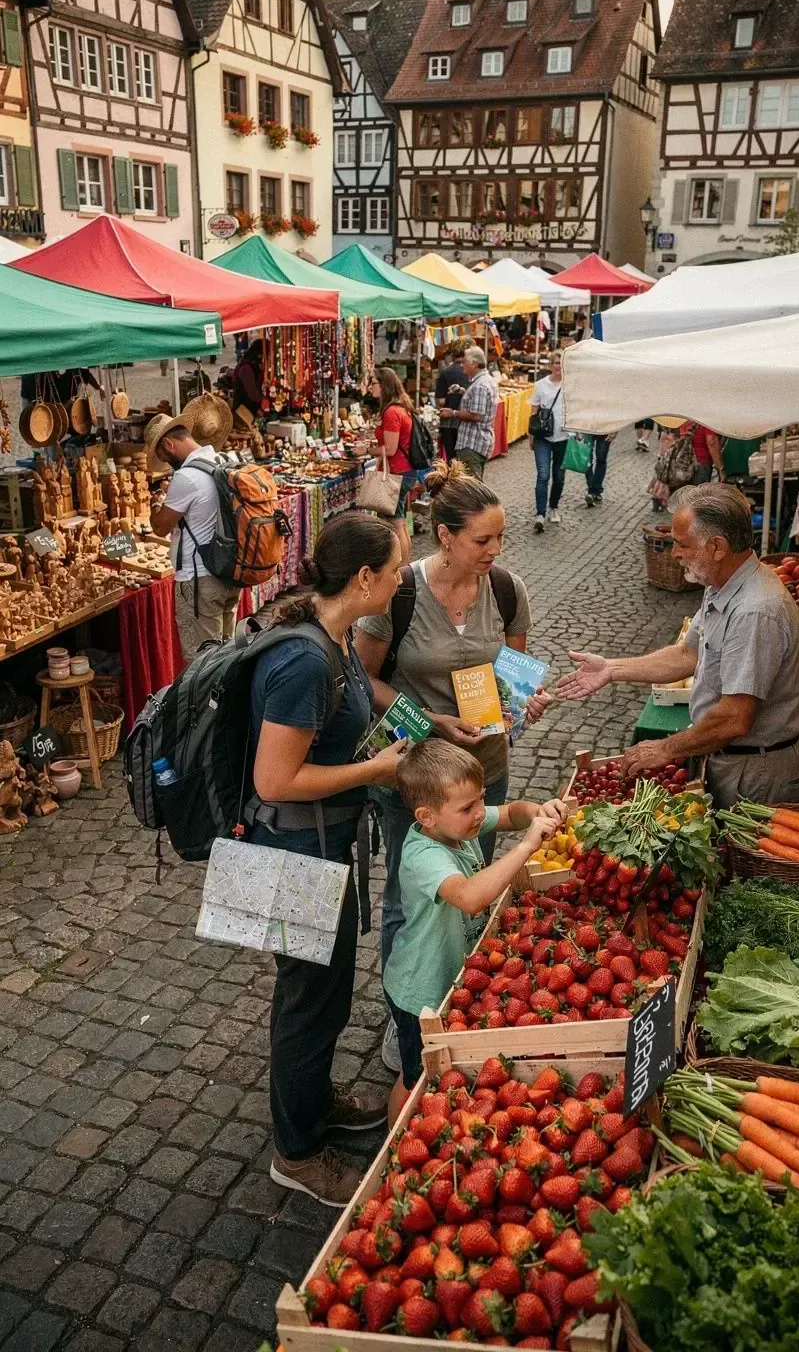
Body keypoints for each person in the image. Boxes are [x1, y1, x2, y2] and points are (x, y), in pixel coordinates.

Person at [355, 460, 551, 1070]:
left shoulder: (509, 591)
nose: (495, 550)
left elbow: (509, 679)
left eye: (500, 538)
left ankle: (456, 994)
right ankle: (406, 1014)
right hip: (415, 770)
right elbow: (363, 677)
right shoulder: (401, 593)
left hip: (486, 765)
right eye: (482, 539)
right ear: (445, 536)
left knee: (473, 879)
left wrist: (523, 706)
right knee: (409, 897)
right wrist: (430, 720)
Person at [249, 514, 406, 1204]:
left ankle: (313, 1103)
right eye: (397, 571)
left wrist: (424, 719)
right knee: (308, 1002)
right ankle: (299, 1151)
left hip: (316, 847)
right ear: (365, 578)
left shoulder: (328, 633)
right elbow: (275, 781)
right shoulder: (303, 658)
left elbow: (358, 694)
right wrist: (371, 773)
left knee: (326, 991)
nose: (403, 581)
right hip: (292, 855)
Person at [557, 483, 799, 810]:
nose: (674, 552)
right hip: (731, 759)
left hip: (756, 772)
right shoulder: (720, 584)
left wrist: (665, 749)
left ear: (717, 547)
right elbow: (687, 654)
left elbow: (735, 717)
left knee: (740, 858)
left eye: (682, 544)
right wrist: (611, 669)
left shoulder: (754, 611)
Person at [384, 740, 566, 1117]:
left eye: (481, 799)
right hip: (421, 990)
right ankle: (395, 1136)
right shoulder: (424, 856)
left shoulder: (457, 824)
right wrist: (527, 846)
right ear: (426, 816)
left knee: (445, 1067)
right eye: (469, 807)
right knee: (418, 1079)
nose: (480, 812)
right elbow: (470, 897)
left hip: (454, 977)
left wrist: (537, 812)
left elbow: (513, 812)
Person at [145, 410, 239, 662]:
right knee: (226, 655)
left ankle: (206, 702)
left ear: (168, 443)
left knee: (202, 664)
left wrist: (156, 504)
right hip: (228, 572)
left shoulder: (186, 476)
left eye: (164, 456)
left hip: (200, 581)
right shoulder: (223, 459)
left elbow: (160, 527)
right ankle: (225, 701)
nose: (166, 462)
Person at [370, 367, 418, 563]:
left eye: (373, 382)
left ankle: (401, 567)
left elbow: (390, 449)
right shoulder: (402, 407)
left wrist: (366, 451)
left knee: (396, 523)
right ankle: (404, 564)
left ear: (384, 385)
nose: (370, 386)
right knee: (401, 522)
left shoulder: (391, 412)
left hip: (396, 472)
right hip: (405, 470)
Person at [439, 346, 497, 480]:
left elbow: (476, 415)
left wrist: (453, 413)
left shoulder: (480, 386)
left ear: (475, 364)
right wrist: (463, 392)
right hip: (476, 441)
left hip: (473, 442)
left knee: (471, 487)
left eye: (465, 362)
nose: (462, 365)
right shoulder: (483, 381)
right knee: (472, 484)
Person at [529, 348, 567, 531]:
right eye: (556, 363)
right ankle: (540, 513)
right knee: (543, 475)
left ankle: (554, 507)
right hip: (543, 437)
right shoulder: (541, 385)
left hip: (564, 436)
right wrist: (530, 436)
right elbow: (534, 411)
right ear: (551, 365)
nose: (558, 366)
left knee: (559, 477)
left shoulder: (569, 386)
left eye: (561, 363)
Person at [435, 344, 471, 463]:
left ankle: (452, 478)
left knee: (451, 458)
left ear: (452, 355)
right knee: (464, 459)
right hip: (466, 418)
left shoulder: (446, 372)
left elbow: (441, 401)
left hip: (449, 422)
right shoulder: (471, 372)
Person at [233, 337, 264, 418]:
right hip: (244, 413)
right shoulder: (247, 368)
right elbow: (253, 394)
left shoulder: (252, 364)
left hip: (248, 410)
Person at [585, 433, 614, 507]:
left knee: (601, 458)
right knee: (587, 459)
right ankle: (594, 490)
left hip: (606, 428)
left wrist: (615, 431)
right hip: (588, 426)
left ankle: (593, 491)